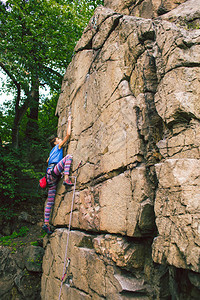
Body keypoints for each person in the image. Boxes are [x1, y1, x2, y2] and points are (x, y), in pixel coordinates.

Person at [42, 115, 73, 234]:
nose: (60, 140)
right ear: (55, 142)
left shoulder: (51, 152)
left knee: (50, 200)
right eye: (58, 139)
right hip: (54, 172)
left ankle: (46, 224)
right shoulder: (58, 146)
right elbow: (68, 135)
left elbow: (47, 160)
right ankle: (66, 178)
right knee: (69, 157)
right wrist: (69, 121)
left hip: (49, 176)